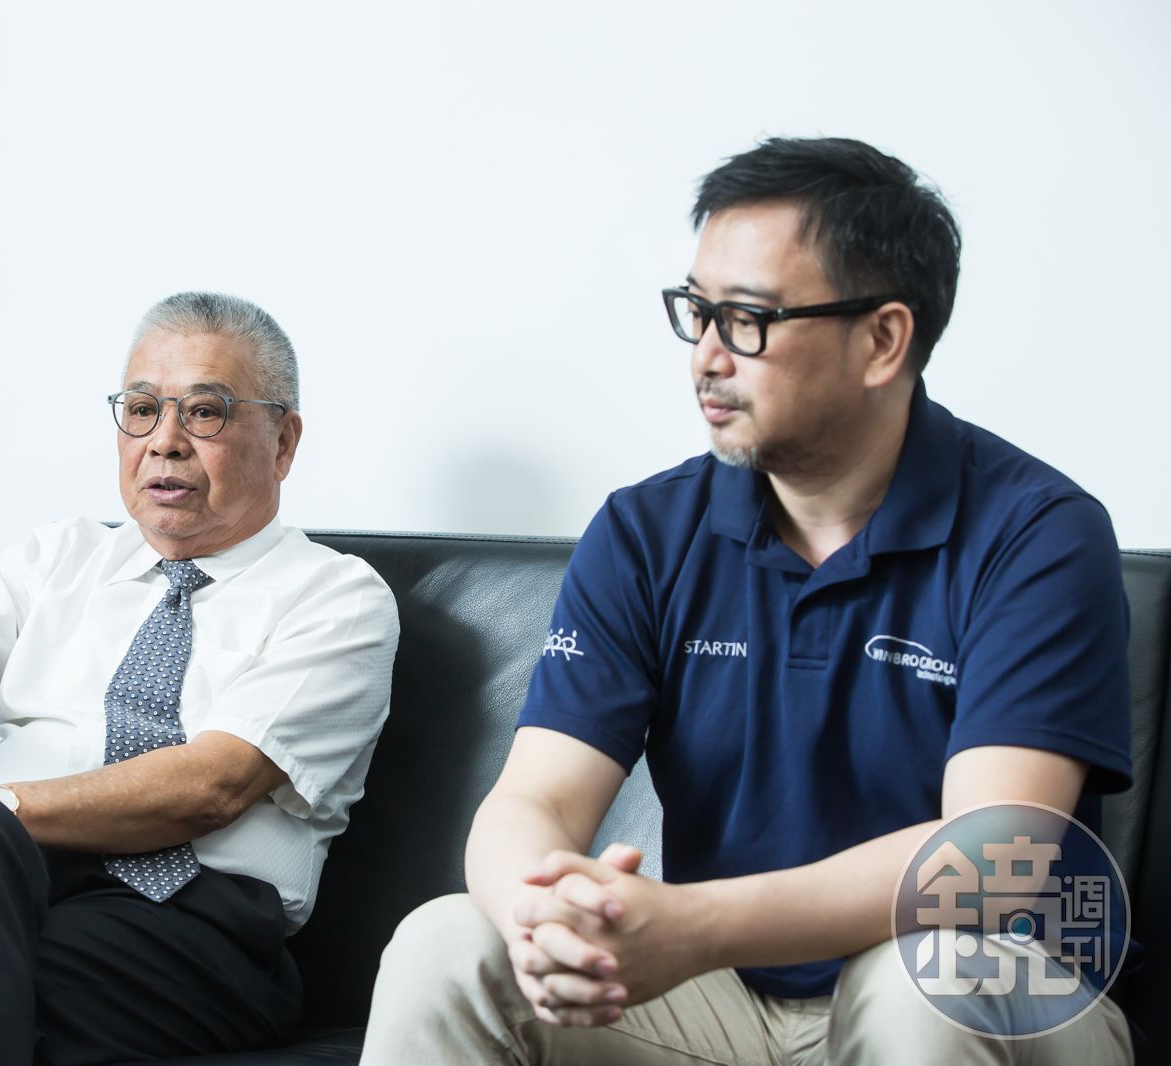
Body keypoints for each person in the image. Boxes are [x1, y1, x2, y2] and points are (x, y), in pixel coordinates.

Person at [360, 138, 1135, 1064]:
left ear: (883, 340)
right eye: (698, 312)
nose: (707, 357)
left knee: (923, 981)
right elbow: (536, 798)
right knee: (447, 945)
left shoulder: (1037, 531)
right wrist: (545, 916)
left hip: (989, 989)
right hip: (725, 1002)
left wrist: (695, 926)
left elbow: (991, 859)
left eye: (749, 320)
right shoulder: (648, 532)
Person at [0, 292, 399, 1066]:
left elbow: (210, 787)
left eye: (204, 413)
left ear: (283, 440)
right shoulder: (59, 558)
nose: (164, 442)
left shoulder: (337, 597)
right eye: (141, 410)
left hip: (187, 929)